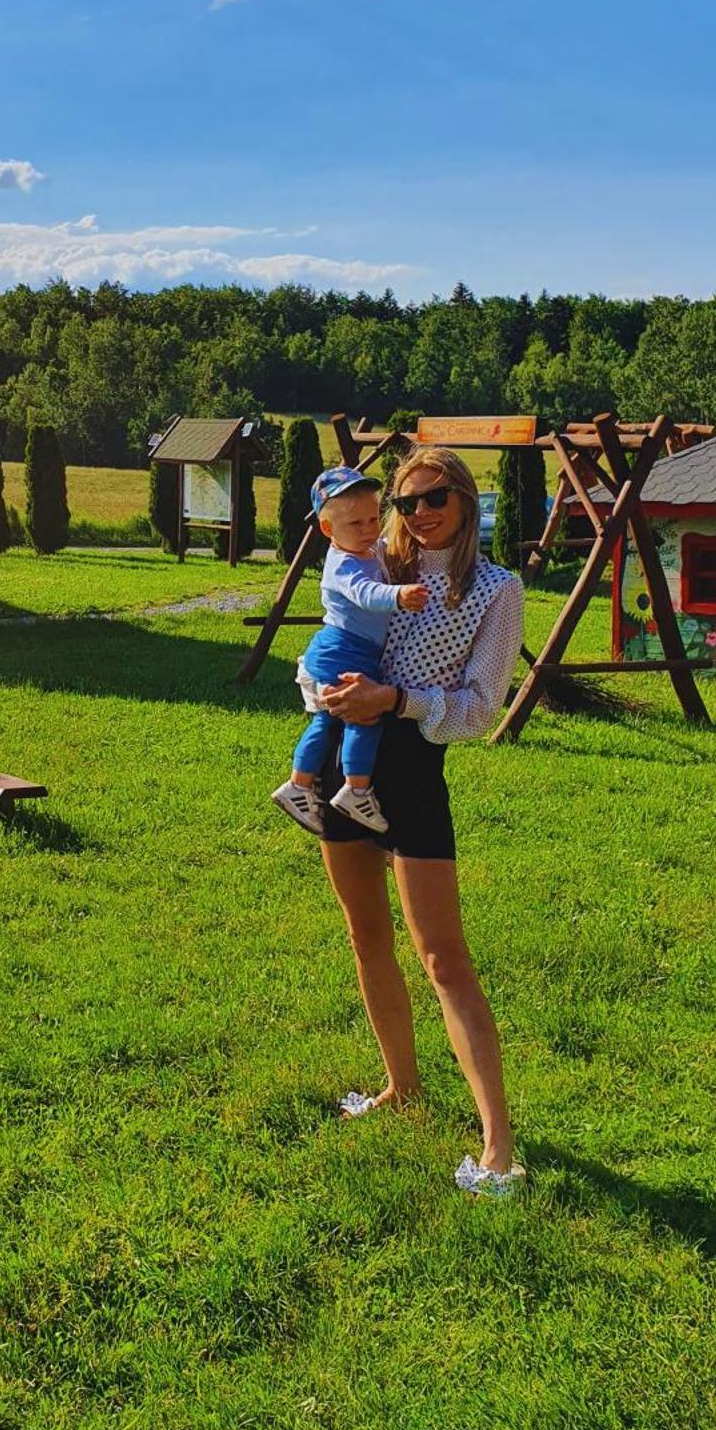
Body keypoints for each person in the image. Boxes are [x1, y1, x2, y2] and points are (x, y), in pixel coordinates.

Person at [314, 447, 528, 1197]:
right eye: (408, 503)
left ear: (466, 500)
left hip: (410, 767)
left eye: (435, 497)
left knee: (443, 958)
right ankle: (400, 1086)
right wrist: (319, 684)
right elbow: (332, 635)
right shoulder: (376, 564)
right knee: (365, 933)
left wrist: (395, 703)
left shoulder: (496, 589)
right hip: (345, 754)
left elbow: (478, 711)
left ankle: (499, 1146)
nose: (421, 513)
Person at [270, 466, 429, 838]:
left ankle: (298, 784)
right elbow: (365, 593)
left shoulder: (366, 549)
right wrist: (399, 596)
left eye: (374, 518)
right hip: (345, 651)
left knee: (327, 720)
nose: (370, 529)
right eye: (356, 523)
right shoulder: (342, 563)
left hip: (341, 648)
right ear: (329, 530)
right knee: (364, 717)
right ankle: (356, 791)